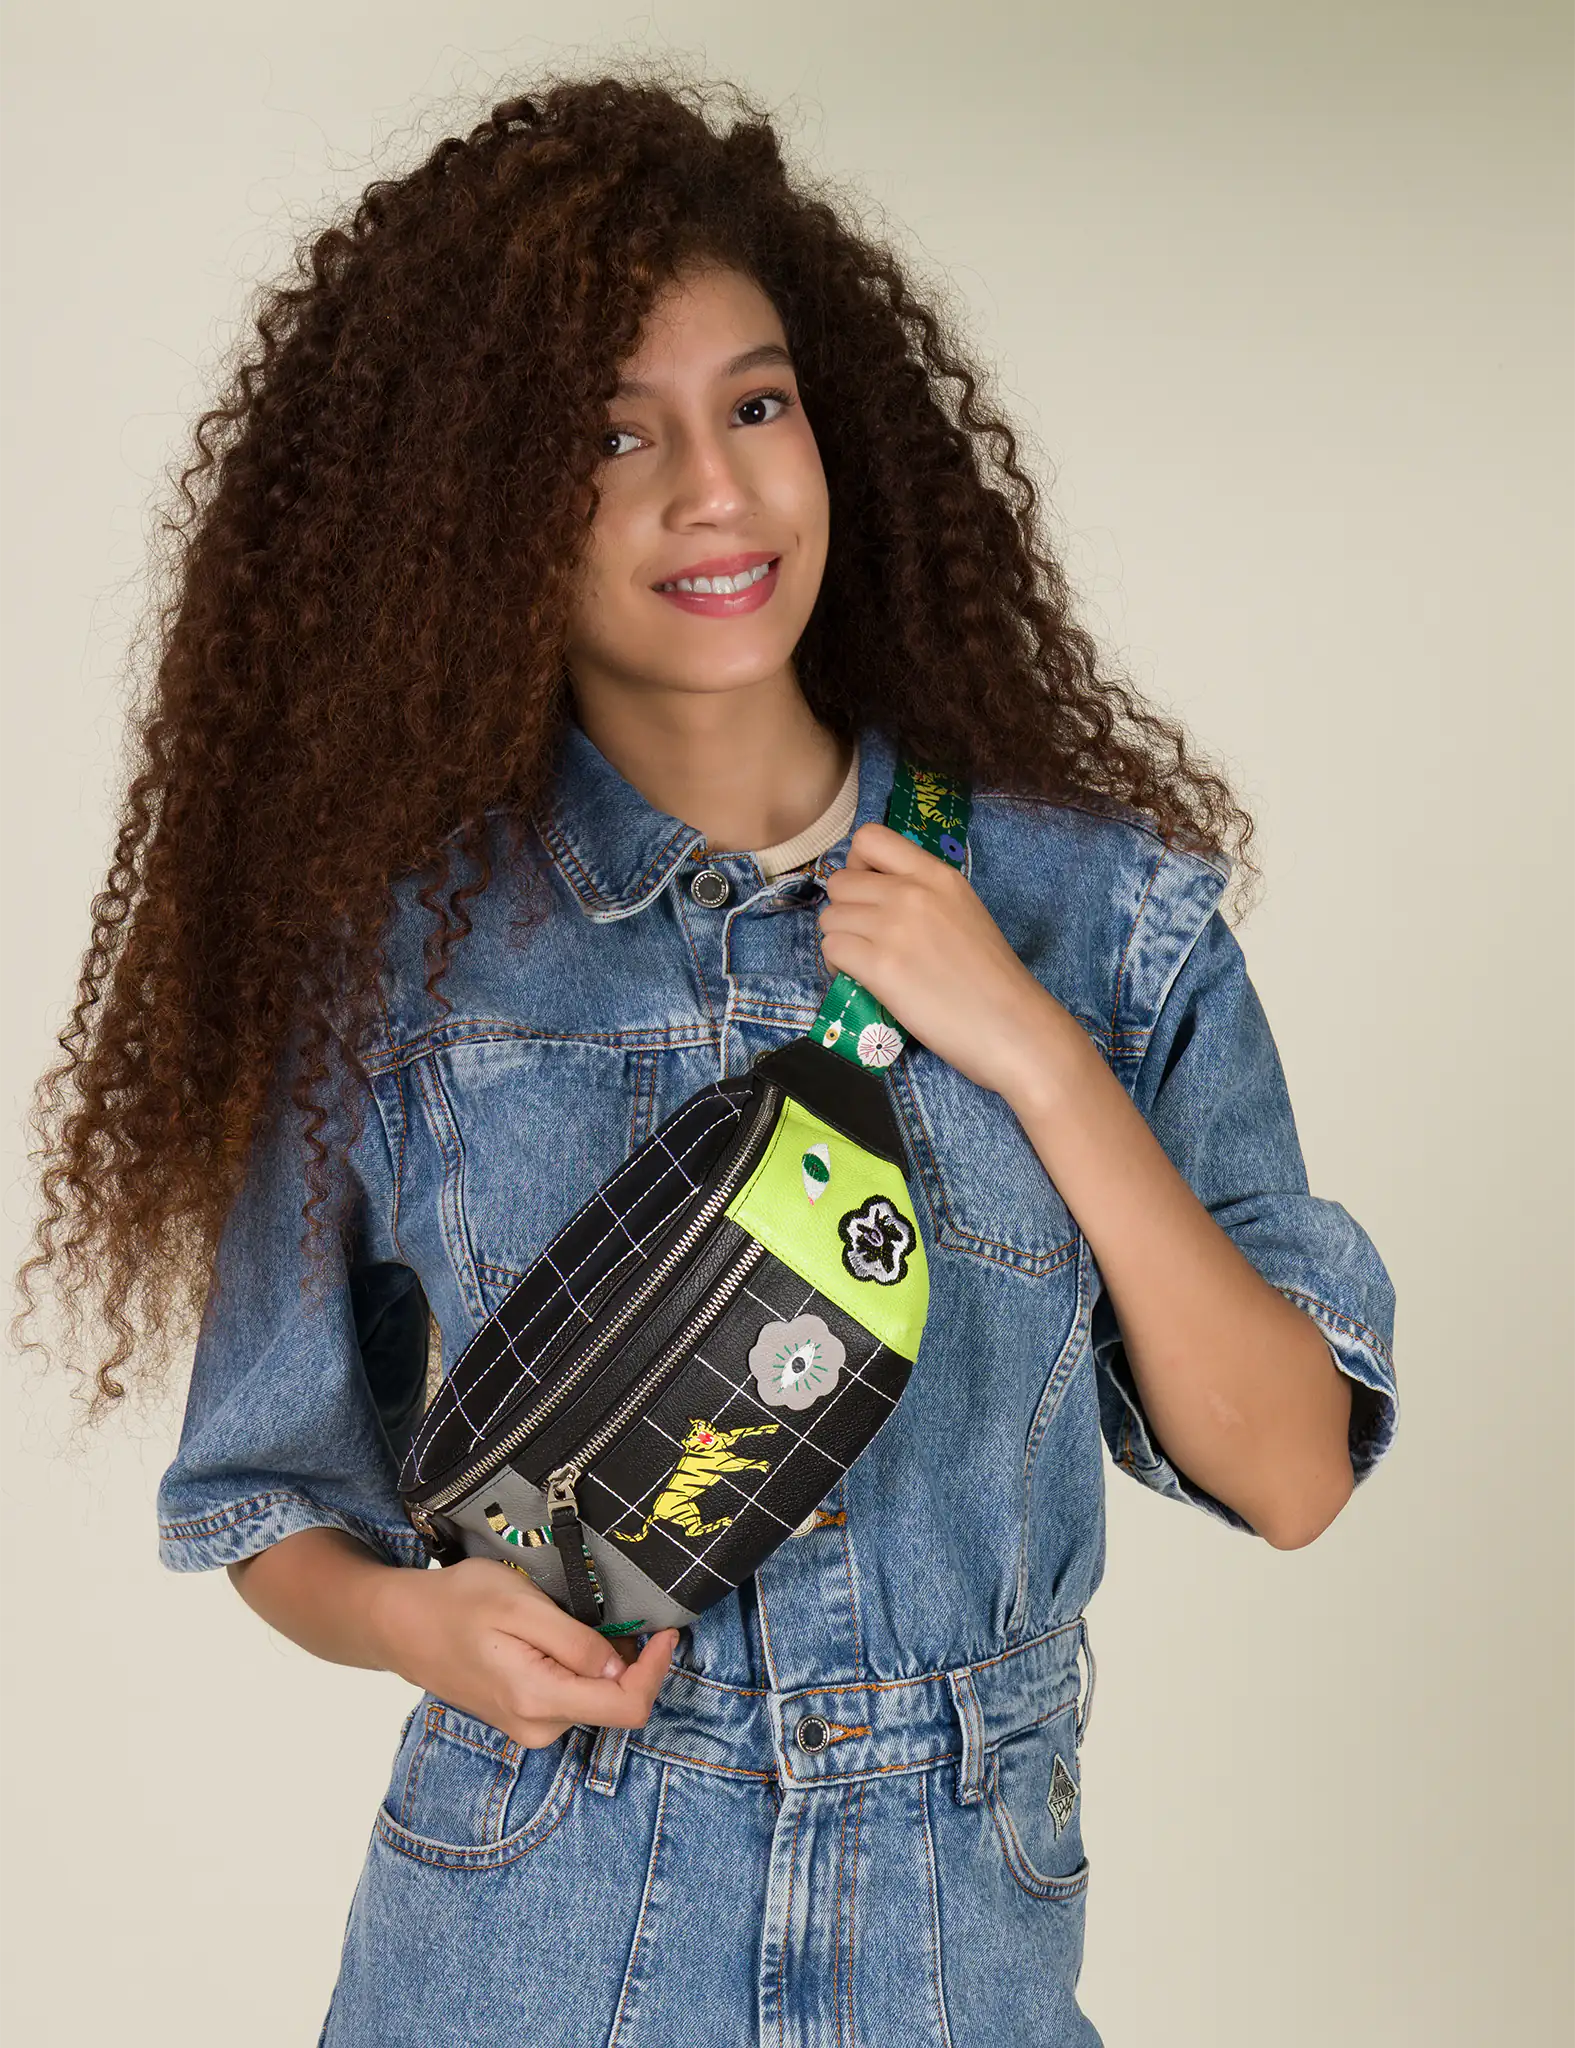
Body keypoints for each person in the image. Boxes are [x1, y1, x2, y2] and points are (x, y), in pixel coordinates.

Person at [22, 73, 1398, 2047]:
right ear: (483, 509)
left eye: (754, 404)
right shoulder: (391, 966)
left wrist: (1025, 1044)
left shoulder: (1102, 918)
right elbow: (263, 1491)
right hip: (533, 1923)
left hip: (960, 1948)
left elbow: (1287, 1466)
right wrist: (421, 1619)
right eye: (612, 434)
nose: (712, 492)